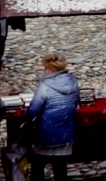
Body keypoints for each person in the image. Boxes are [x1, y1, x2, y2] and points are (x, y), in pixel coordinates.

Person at [26, 53, 80, 181]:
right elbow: (76, 102)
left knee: (38, 166)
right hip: (65, 132)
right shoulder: (72, 82)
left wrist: (29, 120)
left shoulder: (45, 85)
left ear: (51, 69)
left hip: (46, 133)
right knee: (60, 168)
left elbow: (34, 109)